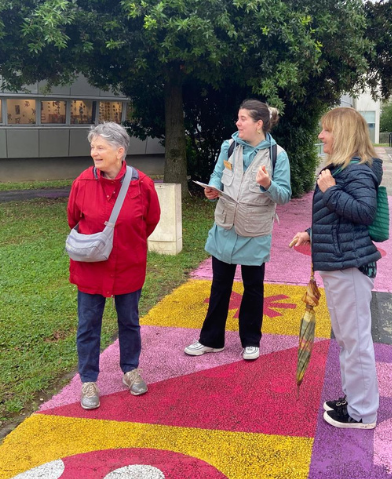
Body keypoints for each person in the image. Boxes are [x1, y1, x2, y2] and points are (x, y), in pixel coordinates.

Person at [291, 107, 382, 429]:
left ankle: (362, 412)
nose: (320, 136)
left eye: (326, 130)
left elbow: (363, 212)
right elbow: (338, 221)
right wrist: (310, 233)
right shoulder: (343, 170)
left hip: (349, 267)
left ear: (342, 133)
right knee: (348, 339)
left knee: (354, 341)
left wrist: (330, 190)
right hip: (340, 264)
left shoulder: (355, 171)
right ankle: (355, 399)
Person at [184, 99, 291, 361]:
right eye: (238, 117)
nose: (237, 123)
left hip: (254, 230)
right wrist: (211, 189)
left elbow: (285, 196)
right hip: (225, 225)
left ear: (259, 124)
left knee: (253, 287)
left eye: (243, 118)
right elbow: (218, 174)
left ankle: (251, 341)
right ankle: (211, 340)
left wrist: (268, 184)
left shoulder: (278, 155)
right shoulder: (229, 146)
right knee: (219, 285)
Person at [67, 122, 161, 410]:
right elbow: (73, 218)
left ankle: (130, 370)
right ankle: (89, 380)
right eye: (93, 147)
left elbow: (151, 220)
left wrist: (126, 243)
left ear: (120, 151)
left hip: (128, 266)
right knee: (88, 325)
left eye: (101, 147)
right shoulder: (82, 181)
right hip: (91, 269)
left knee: (129, 322)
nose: (94, 153)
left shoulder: (142, 183)